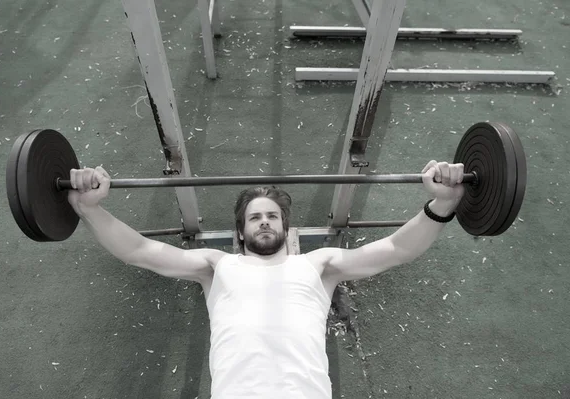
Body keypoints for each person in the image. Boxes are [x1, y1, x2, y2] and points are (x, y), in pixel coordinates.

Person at [68, 160, 465, 399]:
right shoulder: (215, 266)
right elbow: (139, 251)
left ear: (284, 226)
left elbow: (397, 250)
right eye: (255, 217)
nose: (264, 222)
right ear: (240, 231)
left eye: (272, 216)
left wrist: (443, 201)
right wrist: (90, 209)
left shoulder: (319, 265)